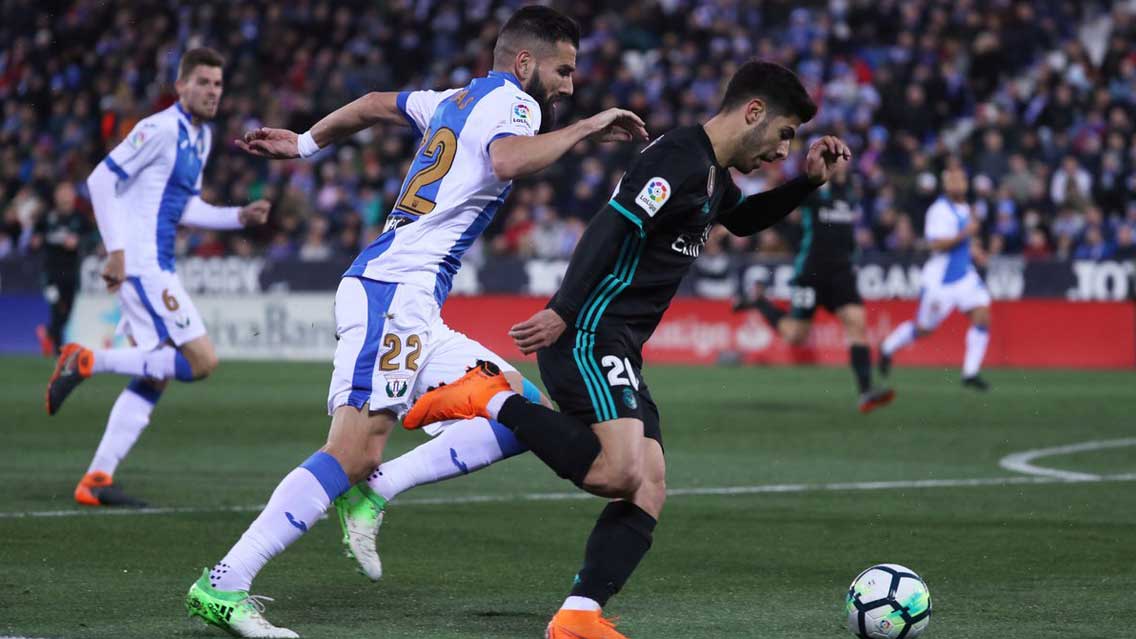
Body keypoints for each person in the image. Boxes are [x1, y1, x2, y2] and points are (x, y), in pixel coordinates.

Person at [183, 7, 647, 638]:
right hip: (392, 291)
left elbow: (375, 103)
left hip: (413, 299)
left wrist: (306, 142)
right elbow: (509, 162)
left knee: (520, 412)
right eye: (563, 70)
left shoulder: (454, 98)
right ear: (523, 62)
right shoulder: (517, 105)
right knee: (350, 449)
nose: (570, 84)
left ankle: (376, 489)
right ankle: (225, 584)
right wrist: (589, 128)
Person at [403, 60, 850, 639]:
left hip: (621, 344)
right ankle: (489, 397)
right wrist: (563, 311)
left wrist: (807, 184)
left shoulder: (712, 175)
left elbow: (741, 221)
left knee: (650, 482)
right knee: (618, 472)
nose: (784, 150)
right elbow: (610, 226)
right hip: (590, 331)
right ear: (753, 112)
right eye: (786, 134)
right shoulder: (679, 159)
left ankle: (579, 615)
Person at [44, 48, 271, 506]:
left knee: (157, 371)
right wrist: (117, 253)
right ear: (181, 85)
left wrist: (237, 218)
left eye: (218, 84)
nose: (212, 91)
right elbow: (100, 182)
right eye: (203, 82)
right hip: (143, 266)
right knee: (200, 361)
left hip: (156, 265)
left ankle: (97, 480)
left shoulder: (200, 137)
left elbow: (185, 206)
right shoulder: (159, 129)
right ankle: (87, 359)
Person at [734, 162, 894, 413]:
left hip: (842, 273)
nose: (842, 162)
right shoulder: (812, 190)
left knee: (857, 326)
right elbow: (787, 200)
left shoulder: (849, 192)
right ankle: (760, 302)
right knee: (795, 335)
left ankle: (865, 392)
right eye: (837, 158)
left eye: (843, 158)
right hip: (811, 273)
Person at [878, 165, 993, 390]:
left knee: (983, 315)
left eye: (961, 178)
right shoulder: (939, 210)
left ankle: (970, 373)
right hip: (940, 281)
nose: (959, 183)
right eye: (954, 179)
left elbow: (963, 242)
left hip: (964, 276)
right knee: (923, 329)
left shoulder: (965, 208)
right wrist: (965, 234)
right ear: (946, 185)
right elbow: (937, 244)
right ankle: (887, 348)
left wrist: (974, 250)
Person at [31, 182, 93, 356]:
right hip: (50, 274)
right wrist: (36, 242)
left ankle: (48, 333)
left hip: (72, 273)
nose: (65, 196)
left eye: (68, 192)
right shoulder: (47, 217)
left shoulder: (80, 219)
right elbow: (34, 239)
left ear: (73, 196)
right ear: (56, 196)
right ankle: (59, 352)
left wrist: (79, 242)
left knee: (68, 312)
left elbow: (91, 238)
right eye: (62, 192)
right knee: (58, 308)